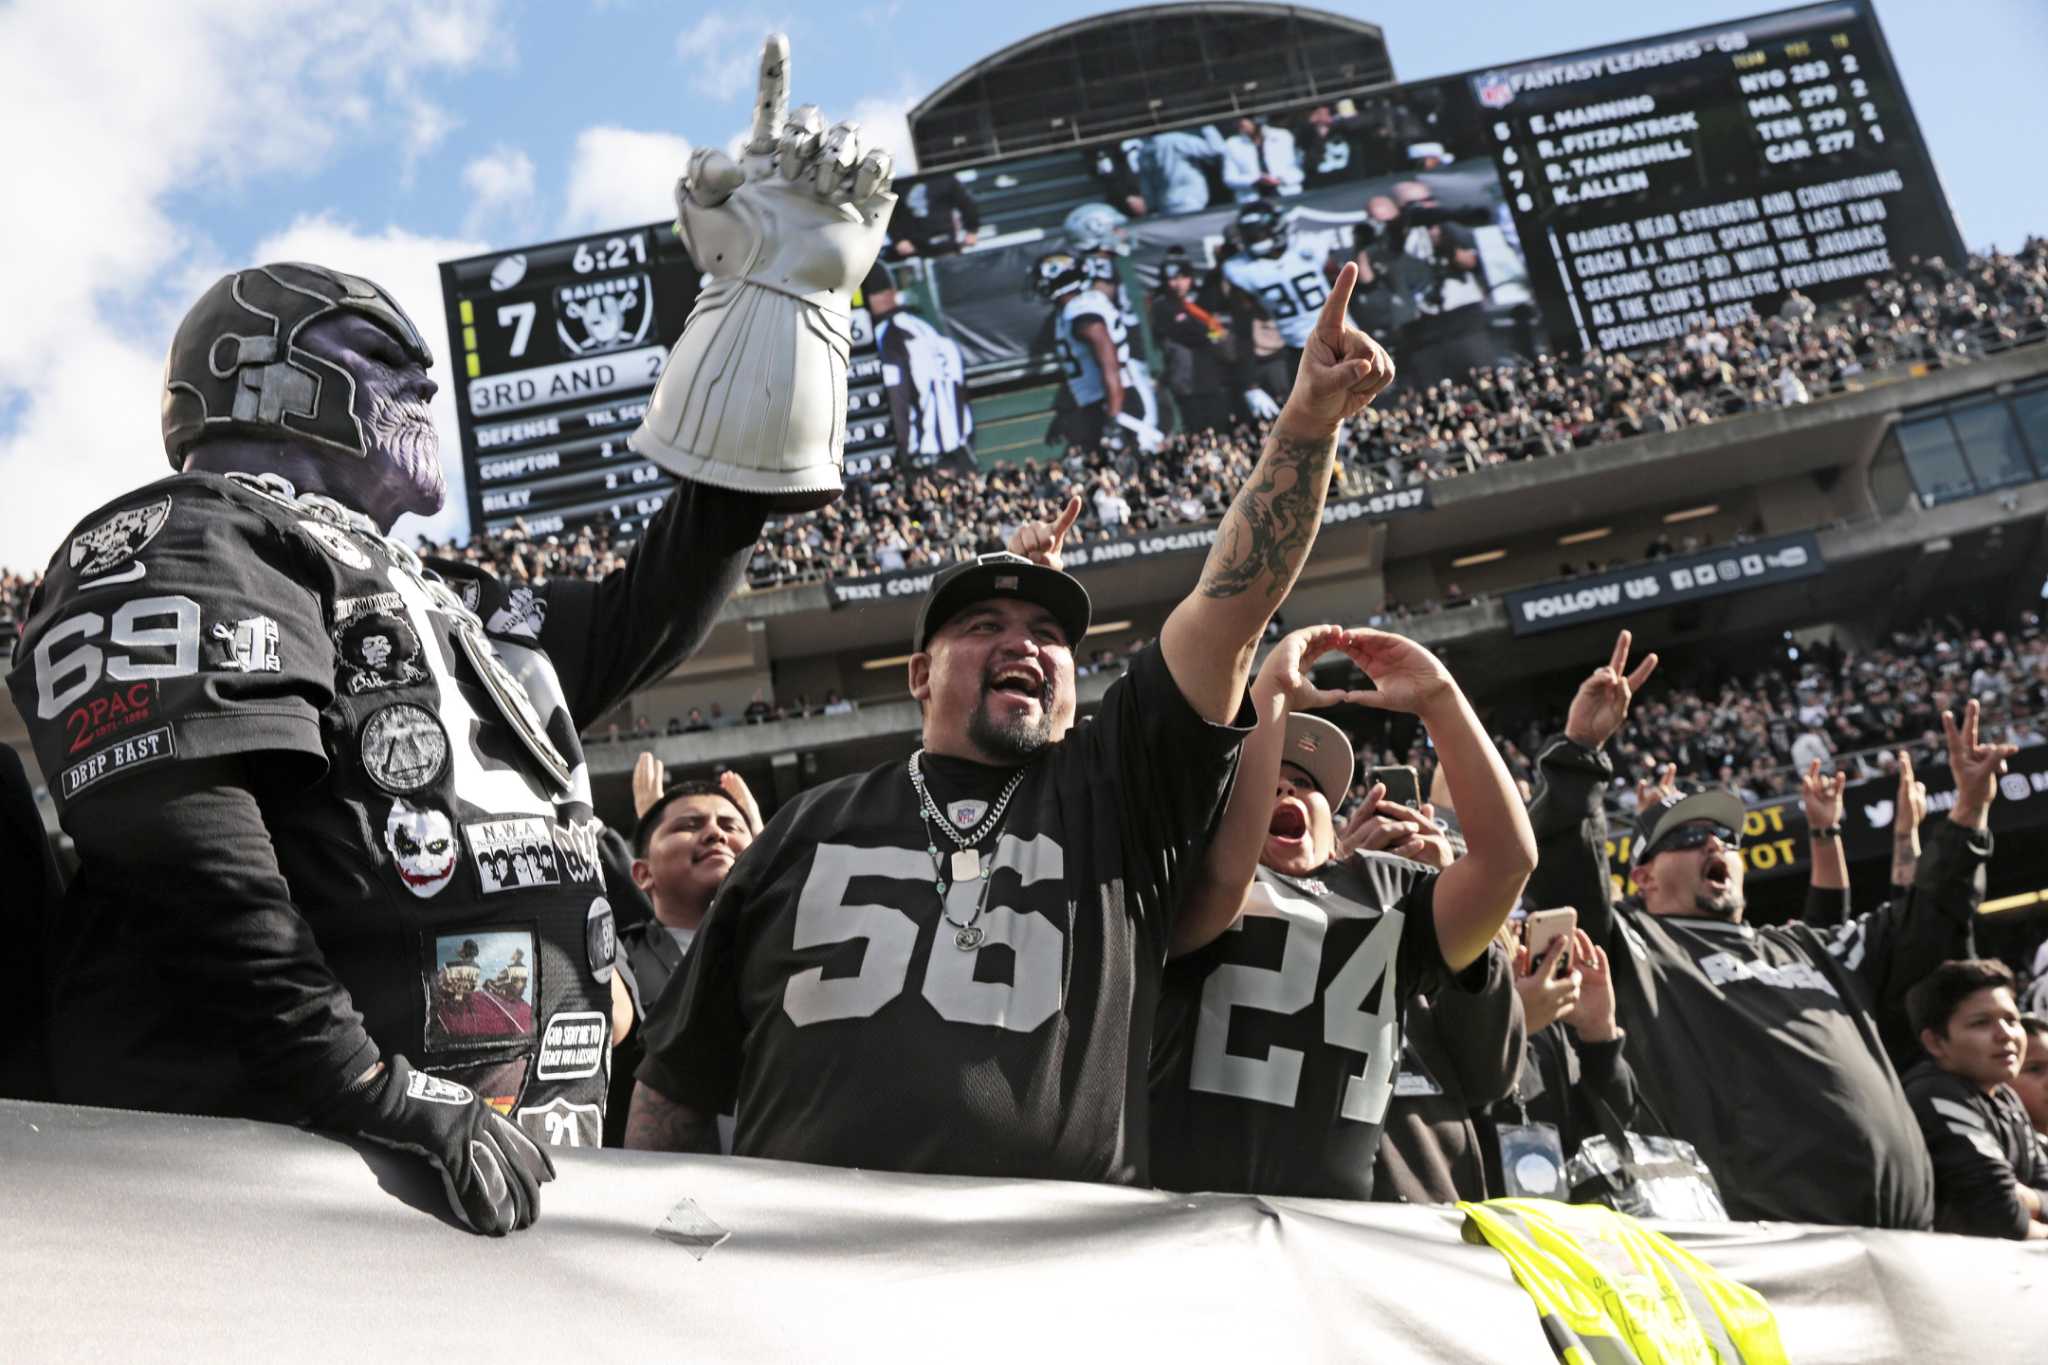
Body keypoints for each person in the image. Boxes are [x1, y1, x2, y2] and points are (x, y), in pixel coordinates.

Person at [5, 35, 893, 1236]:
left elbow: (655, 603)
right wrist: (366, 1087)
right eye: (382, 358)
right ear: (258, 377)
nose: (425, 388)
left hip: (489, 1168)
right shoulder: (193, 531)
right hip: (288, 1184)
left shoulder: (456, 596)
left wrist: (781, 299)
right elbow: (184, 840)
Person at [627, 265, 1398, 1178]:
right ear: (920, 672)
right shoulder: (808, 825)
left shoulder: (1118, 802)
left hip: (1054, 1282)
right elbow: (675, 1084)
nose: (1023, 644)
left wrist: (1307, 423)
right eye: (984, 626)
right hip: (816, 1283)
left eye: (1047, 633)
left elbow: (1231, 605)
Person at [1525, 630, 2001, 1229]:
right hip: (1764, 1251)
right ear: (1643, 877)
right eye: (1690, 838)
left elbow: (1927, 926)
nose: (1716, 844)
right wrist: (1581, 748)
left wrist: (1967, 815)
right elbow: (1568, 866)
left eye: (1726, 839)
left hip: (1903, 1242)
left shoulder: (1812, 947)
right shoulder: (1634, 951)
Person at [1149, 620, 1536, 1199]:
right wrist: (1269, 694)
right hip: (1196, 1222)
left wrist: (1441, 701)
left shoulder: (1389, 889)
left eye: (1306, 784)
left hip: (1344, 1231)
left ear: (1336, 831)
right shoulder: (1185, 883)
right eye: (1267, 780)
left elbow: (1507, 861)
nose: (1286, 792)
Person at [605, 758, 760, 1147]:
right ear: (641, 873)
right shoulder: (619, 955)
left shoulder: (785, 945)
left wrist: (765, 849)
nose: (715, 834)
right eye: (689, 826)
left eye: (731, 826)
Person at [1902, 960, 2048, 1239]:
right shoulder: (1935, 1093)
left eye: (2011, 1020)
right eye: (1981, 1023)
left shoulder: (2005, 1095)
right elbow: (2002, 1220)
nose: (2005, 1034)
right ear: (1935, 1042)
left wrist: (2029, 1199)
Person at [1034, 250, 1162, 455]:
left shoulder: (1082, 312)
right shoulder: (1071, 309)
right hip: (1105, 402)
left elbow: (1109, 366)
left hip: (1119, 403)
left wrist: (1113, 421)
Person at [1223, 200, 1339, 423]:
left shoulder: (1308, 247)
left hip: (1344, 339)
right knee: (1322, 422)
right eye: (1250, 235)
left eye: (1258, 234)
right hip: (1302, 351)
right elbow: (1244, 327)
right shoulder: (1240, 270)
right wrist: (1250, 384)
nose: (1255, 240)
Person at [865, 263, 975, 478]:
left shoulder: (890, 336)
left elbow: (897, 401)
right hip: (962, 455)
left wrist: (902, 459)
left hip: (927, 464)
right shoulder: (928, 329)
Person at [888, 172, 980, 258]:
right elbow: (886, 212)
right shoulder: (897, 181)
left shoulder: (942, 176)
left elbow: (966, 203)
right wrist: (898, 240)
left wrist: (972, 230)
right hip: (913, 248)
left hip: (947, 242)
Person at [1221, 115, 1303, 202]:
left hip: (1288, 194)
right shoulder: (1232, 144)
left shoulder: (1283, 136)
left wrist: (1278, 179)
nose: (1239, 123)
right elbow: (1229, 179)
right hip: (1252, 200)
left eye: (1244, 119)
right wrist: (1256, 179)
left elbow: (1297, 171)